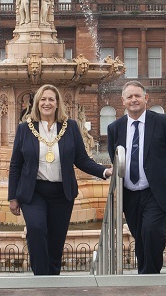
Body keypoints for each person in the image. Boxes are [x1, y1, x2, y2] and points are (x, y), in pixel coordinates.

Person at [8, 84, 111, 275]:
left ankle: (53, 279)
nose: (47, 103)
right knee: (36, 228)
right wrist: (12, 197)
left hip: (61, 194)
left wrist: (104, 172)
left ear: (57, 104)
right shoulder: (25, 129)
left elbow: (81, 159)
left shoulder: (70, 127)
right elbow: (15, 165)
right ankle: (41, 277)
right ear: (37, 103)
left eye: (51, 99)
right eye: (43, 99)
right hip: (33, 193)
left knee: (56, 241)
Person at [106, 80, 166, 274]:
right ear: (123, 101)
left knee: (152, 232)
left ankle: (150, 276)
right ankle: (145, 274)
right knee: (139, 236)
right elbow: (115, 158)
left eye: (137, 96)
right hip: (130, 195)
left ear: (146, 98)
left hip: (155, 192)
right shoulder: (115, 128)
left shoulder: (163, 122)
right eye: (129, 97)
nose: (134, 100)